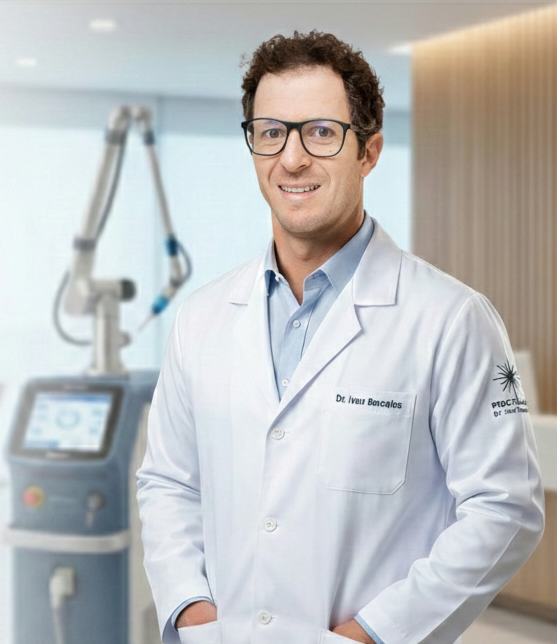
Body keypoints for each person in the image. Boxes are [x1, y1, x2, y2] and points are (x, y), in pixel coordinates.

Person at [136, 30, 544, 644]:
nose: (292, 158)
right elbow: (169, 482)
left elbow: (505, 510)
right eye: (271, 132)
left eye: (321, 132)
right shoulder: (202, 317)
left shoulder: (452, 318)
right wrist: (192, 609)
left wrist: (371, 635)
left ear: (369, 151)